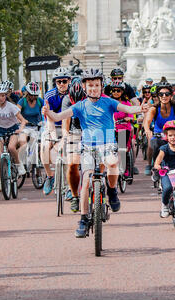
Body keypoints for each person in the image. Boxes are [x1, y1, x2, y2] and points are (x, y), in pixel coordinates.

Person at [43, 68, 149, 238]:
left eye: (97, 85)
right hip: (88, 146)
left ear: (101, 86)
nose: (94, 88)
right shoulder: (80, 105)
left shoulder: (109, 102)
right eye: (90, 85)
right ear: (85, 87)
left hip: (107, 143)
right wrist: (47, 113)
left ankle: (112, 191)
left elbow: (128, 109)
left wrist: (140, 109)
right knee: (86, 181)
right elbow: (58, 117)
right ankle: (84, 219)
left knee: (113, 163)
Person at [142, 82, 175, 177]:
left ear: (171, 95)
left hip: (173, 135)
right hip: (159, 136)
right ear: (158, 96)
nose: (164, 96)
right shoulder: (154, 108)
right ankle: (156, 169)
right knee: (155, 145)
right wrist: (147, 130)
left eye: (167, 94)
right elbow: (147, 121)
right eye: (161, 94)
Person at [0, 83, 28, 191]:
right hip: (1, 130)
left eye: (3, 95)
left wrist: (21, 129)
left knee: (11, 147)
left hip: (13, 129)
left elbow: (22, 120)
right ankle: (0, 182)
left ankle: (19, 165)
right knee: (0, 155)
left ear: (6, 96)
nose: (1, 98)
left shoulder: (11, 106)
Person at [41, 67, 71, 196]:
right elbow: (49, 119)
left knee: (71, 154)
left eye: (64, 81)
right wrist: (53, 137)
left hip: (71, 126)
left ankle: (71, 187)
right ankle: (49, 177)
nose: (62, 84)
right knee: (44, 148)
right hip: (54, 125)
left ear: (69, 81)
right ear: (55, 83)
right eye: (59, 82)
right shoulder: (49, 96)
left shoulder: (74, 95)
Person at [61, 78, 86, 211]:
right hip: (74, 130)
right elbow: (66, 119)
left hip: (89, 130)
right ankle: (74, 195)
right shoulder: (66, 100)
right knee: (72, 164)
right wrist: (65, 134)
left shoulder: (91, 97)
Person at [110, 81, 135, 179]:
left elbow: (131, 115)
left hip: (123, 128)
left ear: (122, 92)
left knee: (122, 149)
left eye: (118, 90)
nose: (116, 92)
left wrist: (129, 118)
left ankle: (125, 168)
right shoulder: (109, 103)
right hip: (112, 128)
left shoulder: (126, 103)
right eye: (114, 90)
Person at [17, 82, 44, 164]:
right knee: (22, 141)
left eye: (35, 95)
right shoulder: (22, 101)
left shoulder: (40, 101)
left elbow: (46, 111)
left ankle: (37, 170)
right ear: (27, 93)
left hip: (36, 126)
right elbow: (16, 113)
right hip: (24, 126)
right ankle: (22, 161)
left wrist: (43, 120)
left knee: (37, 145)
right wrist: (21, 121)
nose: (33, 97)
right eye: (31, 95)